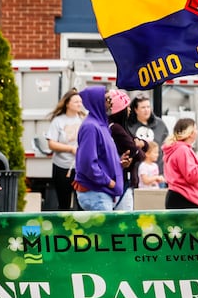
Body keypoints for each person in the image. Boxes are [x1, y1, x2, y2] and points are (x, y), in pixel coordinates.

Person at [72, 85, 123, 213]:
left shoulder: (101, 125)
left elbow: (102, 156)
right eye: (107, 100)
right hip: (96, 194)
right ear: (97, 102)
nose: (111, 103)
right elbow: (87, 164)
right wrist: (108, 182)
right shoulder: (91, 127)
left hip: (102, 193)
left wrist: (118, 162)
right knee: (103, 233)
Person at [44, 88, 86, 211]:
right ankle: (64, 229)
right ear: (67, 104)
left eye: (80, 101)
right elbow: (51, 144)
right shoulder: (58, 121)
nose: (79, 104)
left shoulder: (84, 119)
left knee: (82, 202)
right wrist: (70, 149)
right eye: (76, 102)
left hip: (80, 167)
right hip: (62, 166)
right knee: (64, 203)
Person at [106, 89, 140, 210]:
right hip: (121, 179)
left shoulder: (115, 126)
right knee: (124, 219)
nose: (129, 110)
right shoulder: (116, 128)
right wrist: (139, 147)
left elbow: (137, 145)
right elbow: (137, 152)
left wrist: (141, 144)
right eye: (127, 107)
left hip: (120, 179)